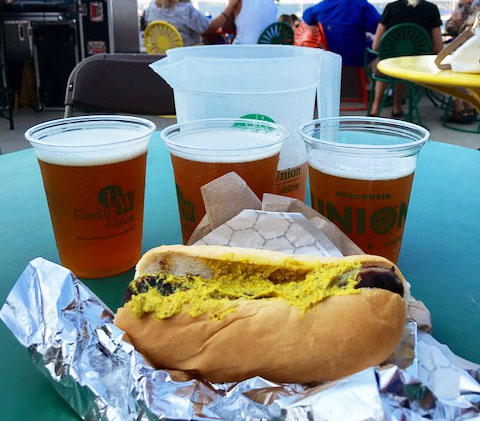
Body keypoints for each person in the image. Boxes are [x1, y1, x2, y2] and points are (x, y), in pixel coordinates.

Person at [369, 0, 443, 117]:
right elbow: (438, 48)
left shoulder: (391, 8)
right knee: (404, 62)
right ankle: (397, 107)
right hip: (418, 66)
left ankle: (375, 108)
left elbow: (376, 46)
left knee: (386, 62)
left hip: (388, 65)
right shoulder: (432, 9)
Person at [302, 0, 380, 67]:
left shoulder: (325, 5)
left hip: (333, 56)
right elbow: (378, 27)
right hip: (358, 57)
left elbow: (306, 16)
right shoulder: (361, 4)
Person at [444, 0, 480, 123]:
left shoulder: (469, 5)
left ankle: (460, 108)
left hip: (470, 52)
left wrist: (458, 10)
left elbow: (453, 28)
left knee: (455, 68)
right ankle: (470, 107)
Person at [145, 0, 239, 47]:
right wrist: (230, 7)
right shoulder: (186, 10)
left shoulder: (152, 5)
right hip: (186, 53)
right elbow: (212, 27)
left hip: (159, 53)